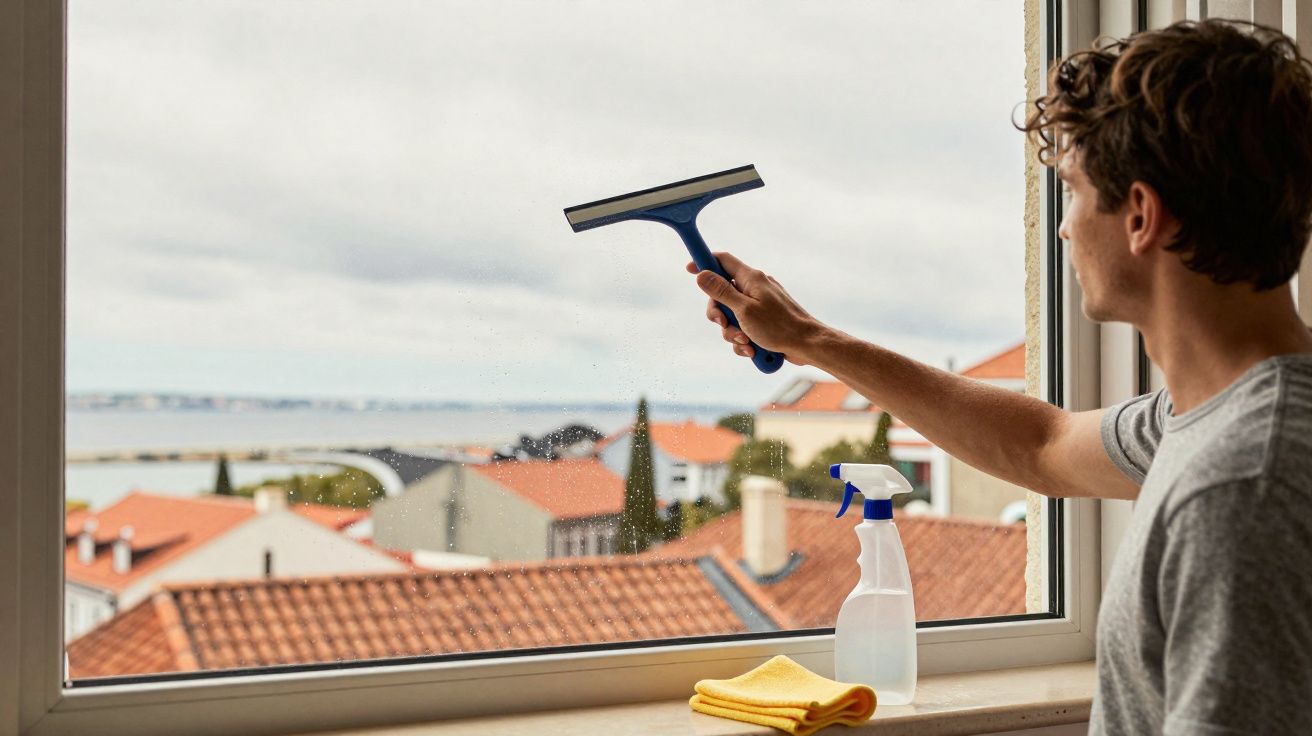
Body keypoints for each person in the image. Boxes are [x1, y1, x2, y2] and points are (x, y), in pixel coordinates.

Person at [687, 19, 1312, 736]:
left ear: (1140, 215)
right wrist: (808, 339)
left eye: (1073, 192)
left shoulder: (1241, 489)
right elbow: (1041, 445)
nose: (1065, 228)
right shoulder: (1215, 417)